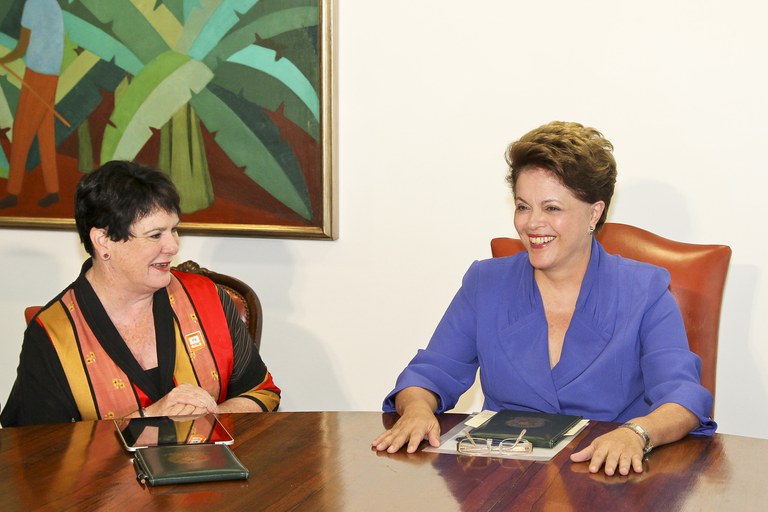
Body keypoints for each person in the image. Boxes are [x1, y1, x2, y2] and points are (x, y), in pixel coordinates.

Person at [372, 121, 716, 476]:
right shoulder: (485, 282)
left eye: (551, 208)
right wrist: (416, 410)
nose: (532, 223)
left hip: (607, 478)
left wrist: (637, 433)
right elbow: (430, 373)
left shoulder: (645, 291)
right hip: (502, 480)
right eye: (523, 206)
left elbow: (682, 397)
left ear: (594, 213)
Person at [0, 160, 281, 426]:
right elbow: (37, 450)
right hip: (107, 479)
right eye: (155, 235)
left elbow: (262, 394)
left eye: (174, 230)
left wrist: (210, 416)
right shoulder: (53, 334)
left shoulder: (209, 299)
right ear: (104, 240)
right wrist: (148, 419)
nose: (173, 246)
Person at [0, 0, 64, 209]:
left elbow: (21, 47)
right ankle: (53, 190)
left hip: (37, 75)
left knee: (21, 133)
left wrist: (2, 60)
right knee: (45, 135)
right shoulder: (53, 5)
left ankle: (13, 193)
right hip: (51, 76)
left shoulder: (34, 4)